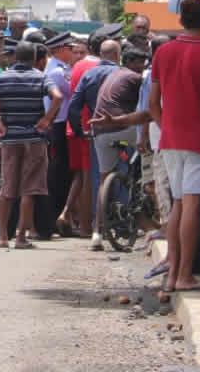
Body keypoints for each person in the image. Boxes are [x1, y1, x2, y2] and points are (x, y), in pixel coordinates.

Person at [150, 0, 200, 294]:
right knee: (193, 204)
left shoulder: (163, 52)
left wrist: (166, 125)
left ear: (180, 20)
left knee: (179, 203)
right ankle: (184, 276)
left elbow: (153, 102)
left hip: (170, 138)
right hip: (198, 139)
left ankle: (172, 275)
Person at [0, 40, 63, 249]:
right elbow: (57, 96)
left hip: (9, 139)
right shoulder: (41, 77)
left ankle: (3, 236)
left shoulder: (2, 77)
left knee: (6, 186)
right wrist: (47, 119)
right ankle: (21, 236)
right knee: (28, 189)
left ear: (15, 57)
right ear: (34, 59)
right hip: (34, 139)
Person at [88, 46, 150, 241]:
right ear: (131, 62)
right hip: (120, 127)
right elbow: (145, 109)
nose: (143, 66)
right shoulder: (136, 78)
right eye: (141, 63)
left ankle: (96, 232)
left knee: (103, 179)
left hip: (99, 130)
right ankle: (145, 184)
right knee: (152, 149)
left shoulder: (114, 75)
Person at [67, 38, 123, 250]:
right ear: (117, 55)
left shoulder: (89, 75)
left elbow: (74, 106)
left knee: (98, 178)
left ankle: (97, 226)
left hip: (97, 131)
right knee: (124, 173)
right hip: (123, 129)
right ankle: (122, 223)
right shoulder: (122, 74)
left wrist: (80, 130)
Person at [40, 32, 76, 238]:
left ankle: (57, 217)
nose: (72, 53)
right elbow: (69, 92)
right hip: (58, 125)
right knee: (57, 175)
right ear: (60, 50)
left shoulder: (60, 69)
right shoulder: (57, 72)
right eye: (69, 49)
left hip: (61, 124)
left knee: (62, 174)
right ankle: (53, 218)